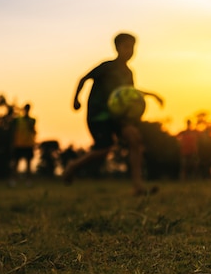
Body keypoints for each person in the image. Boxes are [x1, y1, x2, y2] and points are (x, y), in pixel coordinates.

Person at [61, 32, 163, 195]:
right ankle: (73, 166)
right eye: (126, 47)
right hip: (99, 114)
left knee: (134, 138)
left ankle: (138, 186)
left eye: (132, 47)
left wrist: (151, 95)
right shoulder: (107, 66)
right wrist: (76, 99)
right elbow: (84, 78)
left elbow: (129, 93)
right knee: (104, 150)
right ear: (117, 48)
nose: (130, 51)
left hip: (118, 115)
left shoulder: (129, 72)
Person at [9, 103, 37, 187]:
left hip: (28, 144)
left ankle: (28, 181)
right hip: (19, 144)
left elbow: (34, 131)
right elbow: (14, 131)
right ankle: (13, 180)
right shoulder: (18, 120)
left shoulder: (32, 120)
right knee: (16, 163)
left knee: (28, 164)